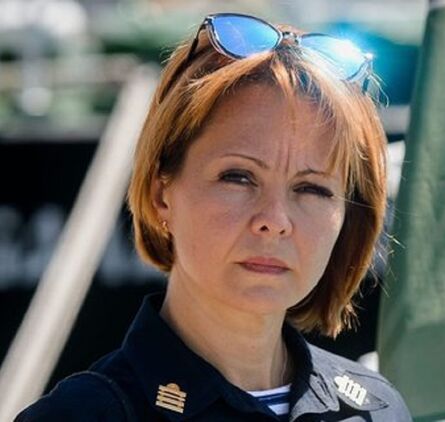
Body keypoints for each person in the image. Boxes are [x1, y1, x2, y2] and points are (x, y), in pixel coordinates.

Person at [16, 12, 411, 421]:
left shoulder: (378, 408)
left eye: (311, 188)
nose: (275, 219)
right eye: (238, 177)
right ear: (160, 194)